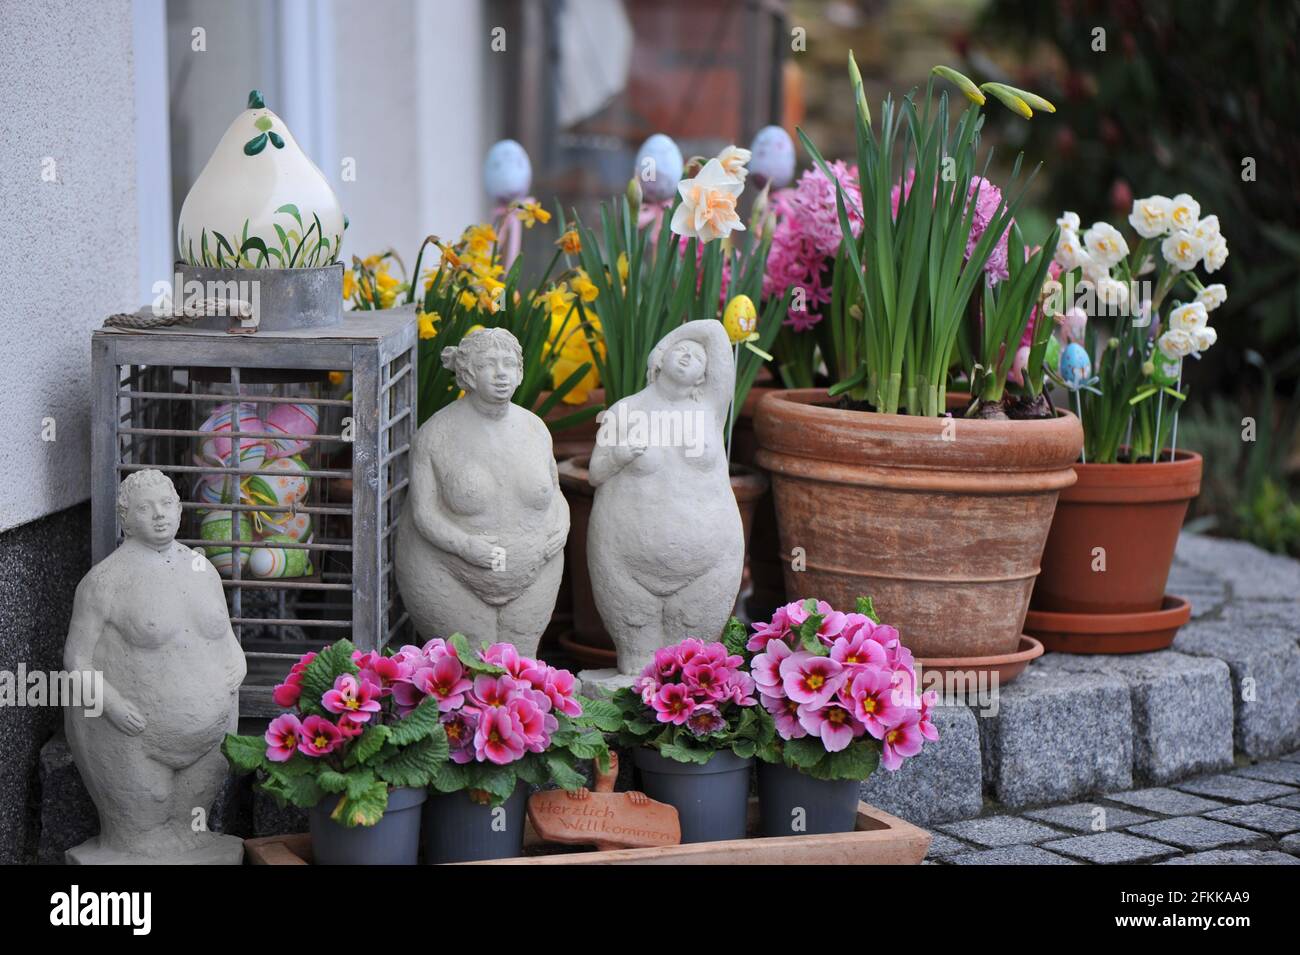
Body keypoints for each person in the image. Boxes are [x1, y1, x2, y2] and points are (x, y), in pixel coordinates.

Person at [64, 469, 246, 863]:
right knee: (140, 835)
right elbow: (76, 661)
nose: (159, 515)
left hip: (209, 732)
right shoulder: (104, 582)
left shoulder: (202, 570)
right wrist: (111, 704)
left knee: (193, 828)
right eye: (145, 509)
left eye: (167, 505)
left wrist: (238, 662)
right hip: (132, 736)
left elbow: (223, 633)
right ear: (125, 517)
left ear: (180, 509)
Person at [395, 328, 568, 655]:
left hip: (533, 573)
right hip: (450, 572)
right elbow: (423, 514)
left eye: (509, 364)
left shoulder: (535, 429)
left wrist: (562, 524)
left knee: (521, 665)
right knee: (467, 662)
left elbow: (554, 491)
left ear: (520, 373)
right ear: (468, 373)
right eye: (489, 364)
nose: (501, 374)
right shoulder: (435, 433)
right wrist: (465, 546)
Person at [587, 320, 744, 675]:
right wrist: (621, 454)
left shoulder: (709, 410)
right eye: (680, 350)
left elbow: (716, 332)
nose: (689, 356)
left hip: (708, 564)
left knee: (690, 671)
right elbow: (596, 473)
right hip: (627, 565)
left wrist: (668, 340)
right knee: (634, 669)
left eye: (698, 358)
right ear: (661, 360)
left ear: (705, 376)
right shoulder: (624, 411)